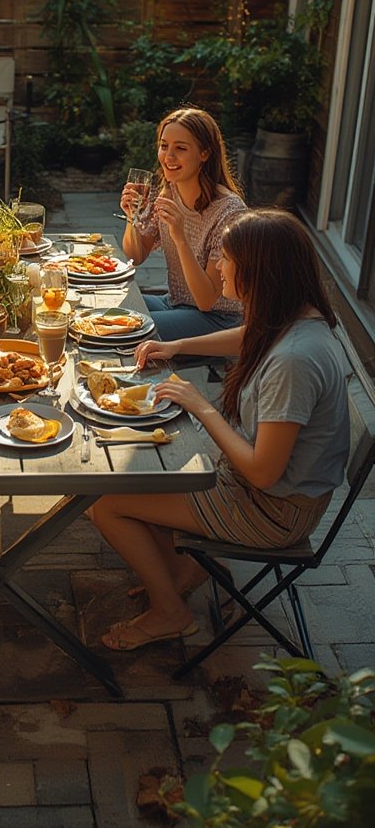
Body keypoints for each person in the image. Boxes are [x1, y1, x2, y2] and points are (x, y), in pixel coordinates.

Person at [90, 208, 349, 652]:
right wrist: (174, 345)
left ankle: (170, 611)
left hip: (270, 509)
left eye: (227, 260)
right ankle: (182, 569)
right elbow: (250, 335)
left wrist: (200, 406)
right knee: (141, 467)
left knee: (102, 501)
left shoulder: (293, 362)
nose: (220, 268)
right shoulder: (298, 320)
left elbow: (264, 474)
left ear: (259, 272)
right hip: (265, 489)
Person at [120, 107, 245, 340]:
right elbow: (135, 256)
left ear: (205, 153)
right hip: (175, 303)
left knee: (129, 329)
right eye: (164, 145)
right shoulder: (169, 192)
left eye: (181, 148)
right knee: (108, 308)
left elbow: (207, 301)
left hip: (218, 319)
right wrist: (132, 215)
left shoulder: (228, 211)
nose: (168, 157)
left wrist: (180, 237)